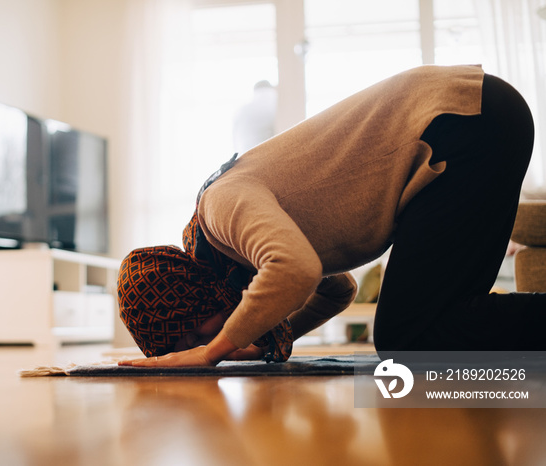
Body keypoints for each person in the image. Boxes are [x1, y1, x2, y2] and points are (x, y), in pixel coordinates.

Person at [117, 64, 546, 368]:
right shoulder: (233, 261)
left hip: (460, 121)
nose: (203, 342)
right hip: (466, 122)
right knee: (432, 327)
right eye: (192, 345)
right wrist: (273, 336)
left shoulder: (219, 207)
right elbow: (336, 289)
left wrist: (214, 352)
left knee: (408, 336)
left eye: (192, 333)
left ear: (193, 296)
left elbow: (297, 270)